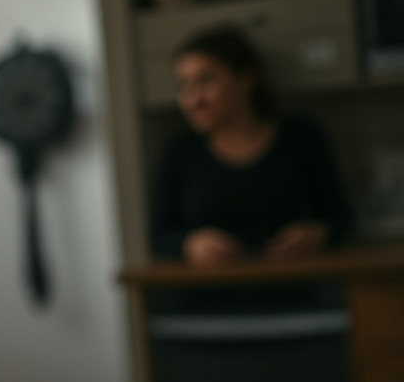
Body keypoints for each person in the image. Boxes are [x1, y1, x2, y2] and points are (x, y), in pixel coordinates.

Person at [149, 25, 352, 266]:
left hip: (294, 285)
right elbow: (159, 237)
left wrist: (318, 233)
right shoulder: (180, 150)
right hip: (209, 295)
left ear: (245, 79)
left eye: (206, 80)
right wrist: (189, 243)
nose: (193, 99)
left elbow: (341, 218)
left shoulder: (301, 136)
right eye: (183, 85)